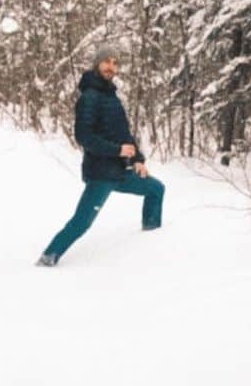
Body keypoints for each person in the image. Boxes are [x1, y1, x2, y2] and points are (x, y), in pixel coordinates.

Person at [37, 48, 165, 266]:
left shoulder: (112, 97)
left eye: (115, 63)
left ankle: (150, 239)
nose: (111, 67)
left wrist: (138, 160)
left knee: (156, 189)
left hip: (120, 172)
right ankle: (48, 257)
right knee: (82, 222)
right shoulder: (89, 97)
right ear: (97, 64)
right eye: (106, 62)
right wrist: (117, 151)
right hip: (101, 174)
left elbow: (124, 135)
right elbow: (84, 136)